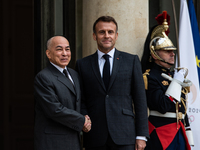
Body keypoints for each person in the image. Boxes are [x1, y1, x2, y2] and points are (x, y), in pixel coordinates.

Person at [75, 16, 149, 150]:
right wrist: (84, 119)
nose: (106, 36)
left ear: (116, 35)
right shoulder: (82, 64)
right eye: (101, 32)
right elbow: (81, 99)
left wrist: (142, 135)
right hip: (95, 135)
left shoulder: (131, 61)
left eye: (110, 32)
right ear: (94, 36)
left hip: (125, 135)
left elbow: (140, 100)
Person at [141, 11, 193, 150]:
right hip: (160, 132)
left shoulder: (173, 75)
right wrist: (176, 83)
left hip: (179, 130)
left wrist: (188, 131)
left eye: (173, 50)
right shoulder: (149, 77)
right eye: (167, 51)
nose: (172, 54)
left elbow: (182, 107)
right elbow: (163, 106)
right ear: (155, 54)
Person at [34, 36, 91, 150]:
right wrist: (82, 121)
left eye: (67, 49)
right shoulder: (43, 77)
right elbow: (54, 110)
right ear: (48, 53)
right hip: (53, 142)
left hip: (73, 140)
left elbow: (79, 101)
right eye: (59, 49)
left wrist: (86, 117)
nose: (65, 53)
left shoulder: (74, 74)